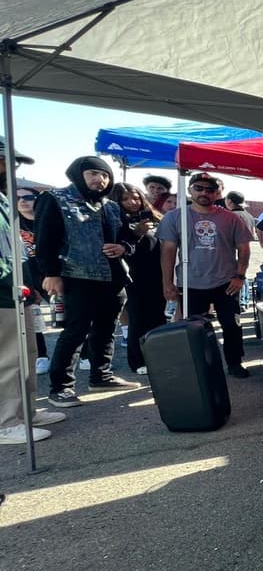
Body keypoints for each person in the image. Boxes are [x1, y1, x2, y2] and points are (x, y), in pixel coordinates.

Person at [35, 156, 140, 408]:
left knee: (106, 329)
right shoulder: (55, 199)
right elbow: (44, 240)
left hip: (113, 278)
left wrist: (123, 247)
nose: (99, 179)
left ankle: (101, 376)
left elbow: (129, 237)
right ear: (78, 174)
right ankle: (60, 388)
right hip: (76, 276)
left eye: (105, 175)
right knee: (75, 332)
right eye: (93, 173)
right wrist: (51, 273)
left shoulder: (111, 206)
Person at [157, 172, 253, 378]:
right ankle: (200, 365)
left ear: (217, 193)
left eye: (210, 190)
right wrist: (167, 283)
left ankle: (235, 362)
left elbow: (244, 248)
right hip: (191, 282)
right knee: (194, 328)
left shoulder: (231, 218)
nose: (204, 193)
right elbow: (168, 250)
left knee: (232, 324)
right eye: (198, 188)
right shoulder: (175, 217)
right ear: (190, 189)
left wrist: (240, 275)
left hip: (225, 281)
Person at [0, 140, 64, 443]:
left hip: (18, 288)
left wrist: (29, 285)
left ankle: (26, 410)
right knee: (7, 358)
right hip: (1, 291)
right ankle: (6, 420)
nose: (11, 170)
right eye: (6, 162)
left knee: (26, 353)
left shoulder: (3, 199)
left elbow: (14, 249)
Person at [111, 183, 167, 375]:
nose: (132, 202)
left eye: (135, 197)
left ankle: (158, 354)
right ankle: (138, 360)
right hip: (133, 277)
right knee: (138, 319)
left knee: (158, 316)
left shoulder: (153, 217)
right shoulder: (116, 221)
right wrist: (136, 233)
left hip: (157, 274)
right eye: (125, 199)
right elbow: (120, 247)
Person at [15, 185, 51, 374]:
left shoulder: (51, 219)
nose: (22, 201)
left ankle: (85, 355)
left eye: (28, 197)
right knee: (33, 318)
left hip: (56, 275)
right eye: (17, 197)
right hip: (29, 277)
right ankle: (41, 356)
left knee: (73, 317)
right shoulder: (12, 223)